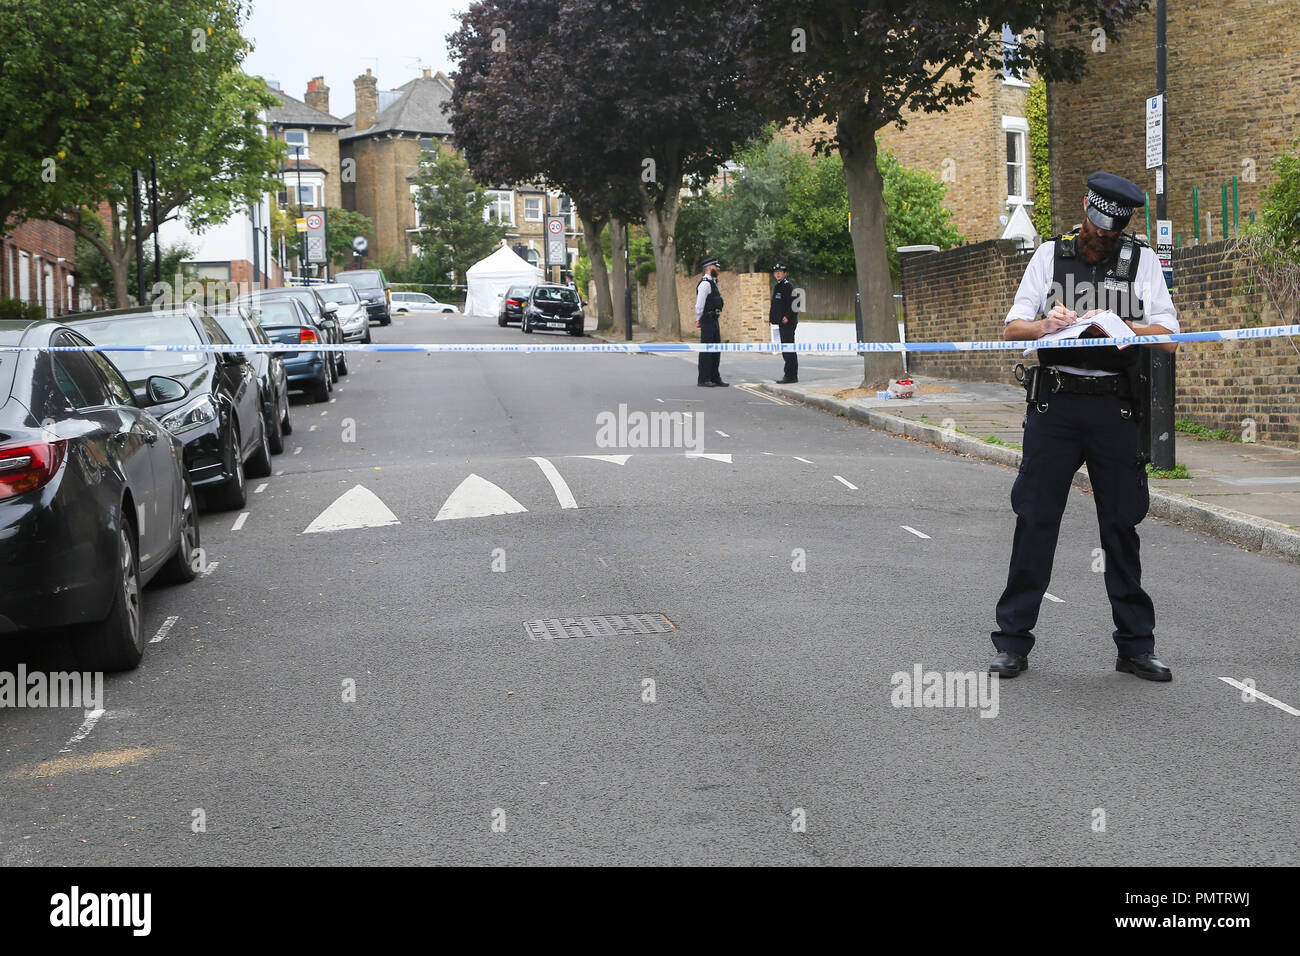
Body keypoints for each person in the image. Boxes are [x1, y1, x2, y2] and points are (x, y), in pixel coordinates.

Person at [990, 172, 1180, 683]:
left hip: (1113, 407)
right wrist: (1045, 325)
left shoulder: (1141, 262)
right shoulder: (1049, 256)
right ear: (1084, 212)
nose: (1101, 238)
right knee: (1035, 519)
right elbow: (1012, 328)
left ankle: (1136, 647)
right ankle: (1012, 642)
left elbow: (1169, 337)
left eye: (1112, 233)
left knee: (1121, 525)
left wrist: (1126, 325)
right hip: (1056, 405)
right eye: (1096, 228)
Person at [695, 257, 728, 387]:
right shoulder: (704, 284)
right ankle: (703, 379)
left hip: (714, 319)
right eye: (716, 267)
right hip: (707, 319)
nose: (718, 269)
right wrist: (698, 319)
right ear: (709, 268)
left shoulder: (713, 282)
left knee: (716, 350)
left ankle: (715, 377)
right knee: (706, 350)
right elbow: (699, 304)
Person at [769, 263, 798, 383]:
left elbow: (796, 304)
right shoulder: (778, 286)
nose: (778, 274)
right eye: (776, 272)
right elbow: (776, 305)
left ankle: (791, 376)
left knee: (788, 349)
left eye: (780, 272)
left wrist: (787, 316)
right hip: (780, 323)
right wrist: (771, 319)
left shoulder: (788, 286)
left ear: (785, 273)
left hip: (788, 323)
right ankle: (790, 374)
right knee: (785, 349)